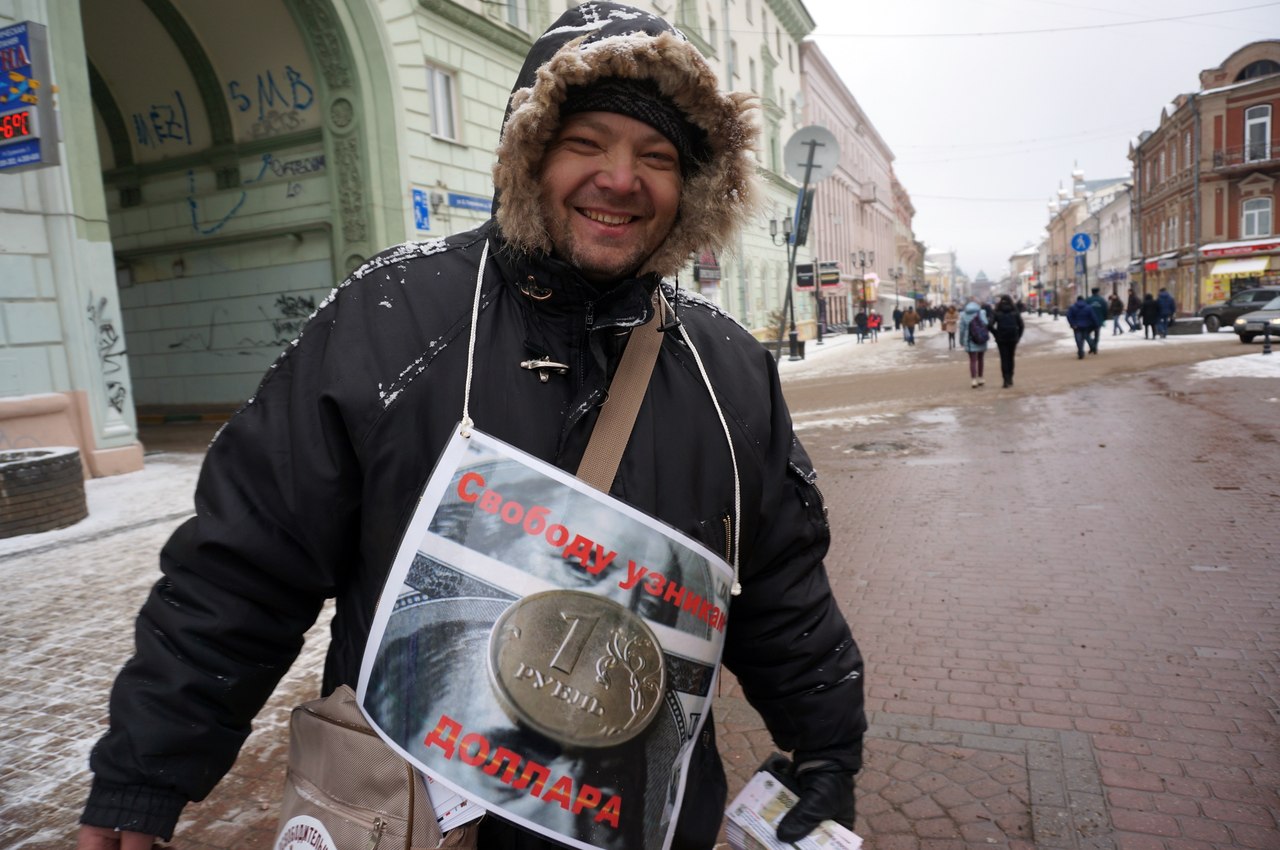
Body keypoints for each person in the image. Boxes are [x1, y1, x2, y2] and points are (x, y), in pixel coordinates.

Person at [75, 5, 866, 850]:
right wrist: (145, 772)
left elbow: (779, 587)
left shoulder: (726, 369)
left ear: (692, 187)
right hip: (413, 819)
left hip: (634, 825)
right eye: (587, 143)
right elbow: (247, 564)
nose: (621, 179)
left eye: (657, 157)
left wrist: (826, 747)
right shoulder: (391, 319)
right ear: (531, 154)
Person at [990, 294, 1024, 388]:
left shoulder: (997, 312)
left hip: (1001, 339)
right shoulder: (1015, 311)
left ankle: (1005, 380)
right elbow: (1021, 325)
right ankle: (1010, 378)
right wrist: (1018, 336)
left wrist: (996, 333)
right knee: (1011, 357)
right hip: (1012, 338)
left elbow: (989, 325)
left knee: (1004, 359)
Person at [957, 299, 988, 387]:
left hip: (969, 340)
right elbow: (986, 323)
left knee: (973, 360)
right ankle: (981, 378)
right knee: (981, 359)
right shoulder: (982, 313)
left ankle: (974, 380)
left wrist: (961, 341)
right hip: (981, 338)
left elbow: (962, 330)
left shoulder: (964, 315)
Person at [1086, 288, 1108, 353]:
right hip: (1099, 320)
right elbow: (1105, 310)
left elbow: (1084, 309)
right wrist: (1104, 318)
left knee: (1086, 334)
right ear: (1098, 292)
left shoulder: (1088, 300)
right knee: (1097, 334)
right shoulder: (1102, 300)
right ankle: (1094, 347)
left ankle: (1092, 345)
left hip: (1089, 321)